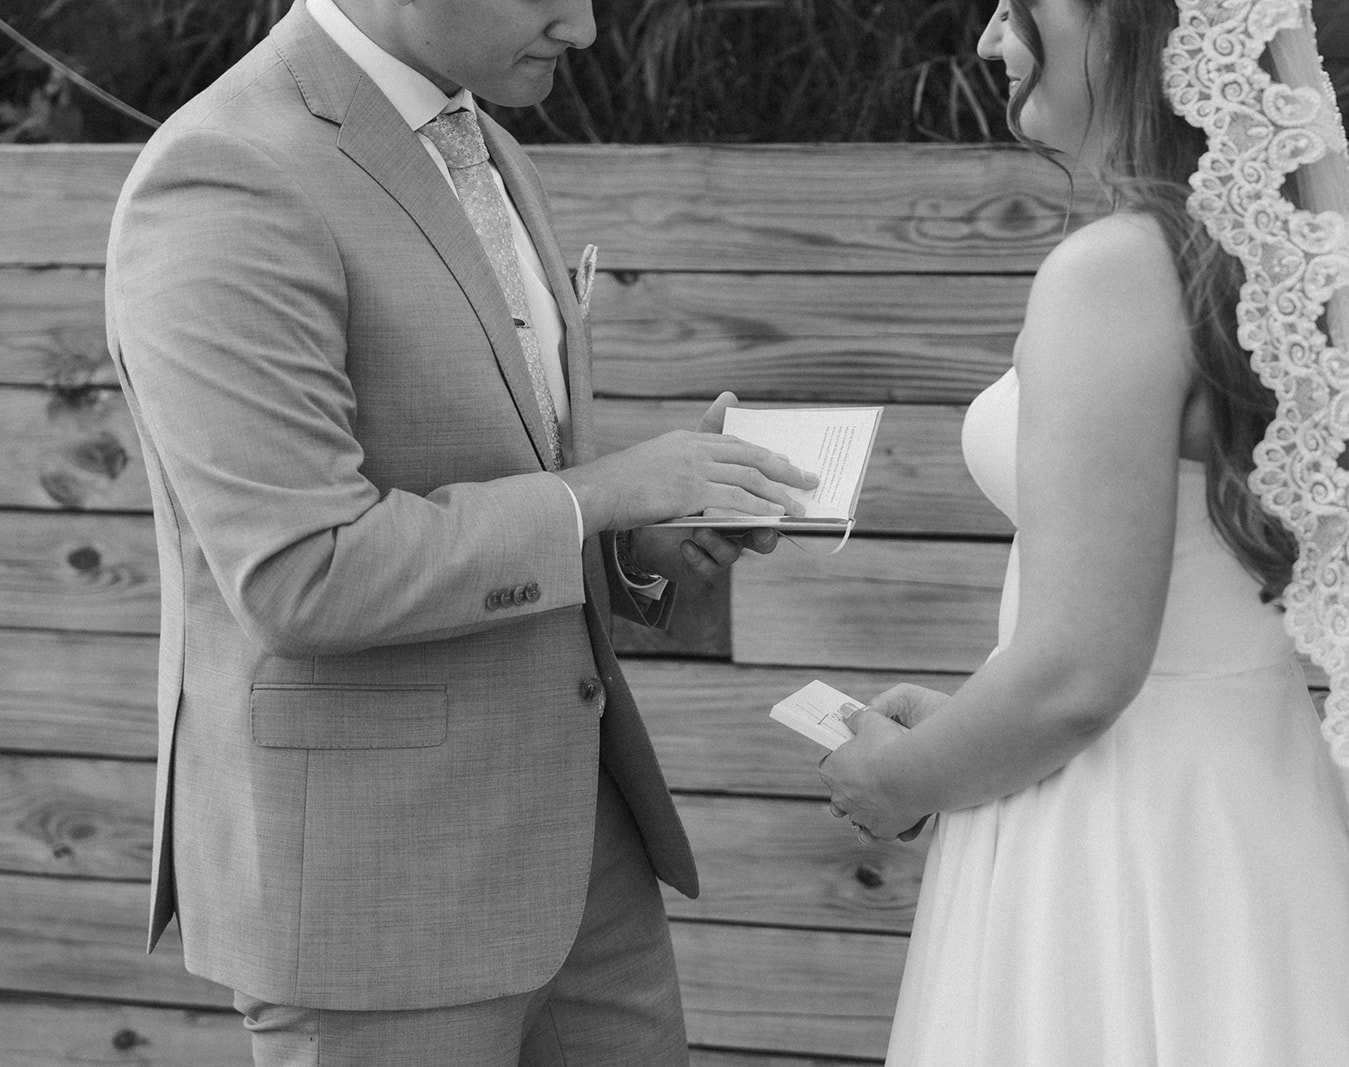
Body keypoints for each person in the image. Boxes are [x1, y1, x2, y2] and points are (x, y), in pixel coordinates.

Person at [102, 0, 817, 1062]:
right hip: (377, 899)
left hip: (586, 856)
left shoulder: (485, 143)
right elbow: (302, 573)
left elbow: (486, 466)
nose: (582, 28)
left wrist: (635, 540)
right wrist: (599, 494)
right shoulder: (227, 169)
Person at [820, 0, 1349, 1061]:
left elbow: (1080, 672)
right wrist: (968, 721)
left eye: (1017, 7)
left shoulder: (1114, 268)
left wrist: (903, 778)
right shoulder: (1248, 263)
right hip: (1243, 798)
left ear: (1126, 25)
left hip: (1122, 835)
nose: (989, 42)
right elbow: (1174, 615)